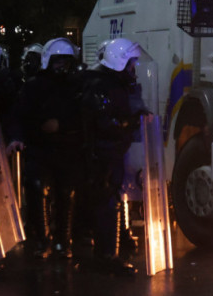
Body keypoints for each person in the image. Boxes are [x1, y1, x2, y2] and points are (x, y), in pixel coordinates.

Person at [81, 38, 148, 275]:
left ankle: (108, 254)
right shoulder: (101, 85)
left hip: (111, 150)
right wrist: (129, 122)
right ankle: (106, 256)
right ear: (119, 62)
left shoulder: (111, 83)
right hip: (103, 152)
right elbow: (105, 122)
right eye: (131, 63)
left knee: (110, 200)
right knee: (106, 202)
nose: (134, 69)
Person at [14, 37, 82, 259]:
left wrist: (61, 126)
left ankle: (63, 240)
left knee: (66, 194)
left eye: (65, 61)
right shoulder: (33, 86)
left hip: (66, 148)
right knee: (36, 188)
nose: (61, 66)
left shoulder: (75, 86)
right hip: (40, 147)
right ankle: (42, 240)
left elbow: (83, 116)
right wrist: (20, 136)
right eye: (57, 61)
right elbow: (21, 116)